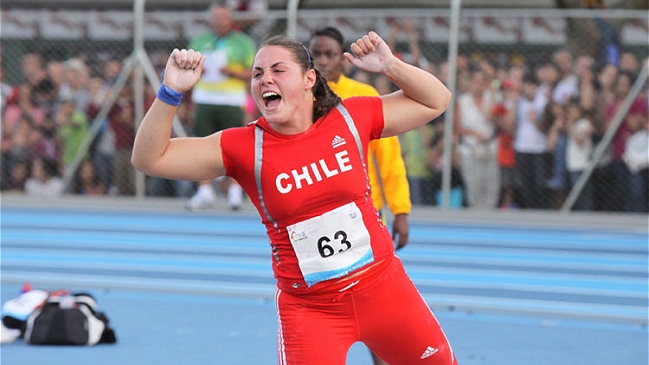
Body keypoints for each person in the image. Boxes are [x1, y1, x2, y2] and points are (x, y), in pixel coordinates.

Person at [132, 31, 455, 365]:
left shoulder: (350, 118)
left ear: (308, 78)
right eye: (257, 74)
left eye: (277, 70)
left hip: (384, 290)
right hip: (312, 310)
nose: (264, 79)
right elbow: (149, 159)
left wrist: (390, 65)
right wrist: (170, 93)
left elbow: (436, 100)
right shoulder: (245, 147)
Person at [307, 26, 412, 365]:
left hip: (363, 215)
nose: (322, 61)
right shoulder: (296, 98)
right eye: (315, 54)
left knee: (373, 301)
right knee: (320, 301)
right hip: (314, 220)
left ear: (344, 60)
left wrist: (401, 210)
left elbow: (389, 157)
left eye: (330, 54)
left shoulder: (361, 94)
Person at [185, 2, 256, 211]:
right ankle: (205, 191)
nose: (218, 22)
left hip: (231, 100)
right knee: (201, 146)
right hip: (205, 98)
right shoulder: (200, 40)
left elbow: (252, 71)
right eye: (215, 18)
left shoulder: (243, 42)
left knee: (234, 146)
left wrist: (232, 72)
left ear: (230, 19)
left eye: (222, 18)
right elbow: (186, 66)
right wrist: (199, 70)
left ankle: (234, 192)